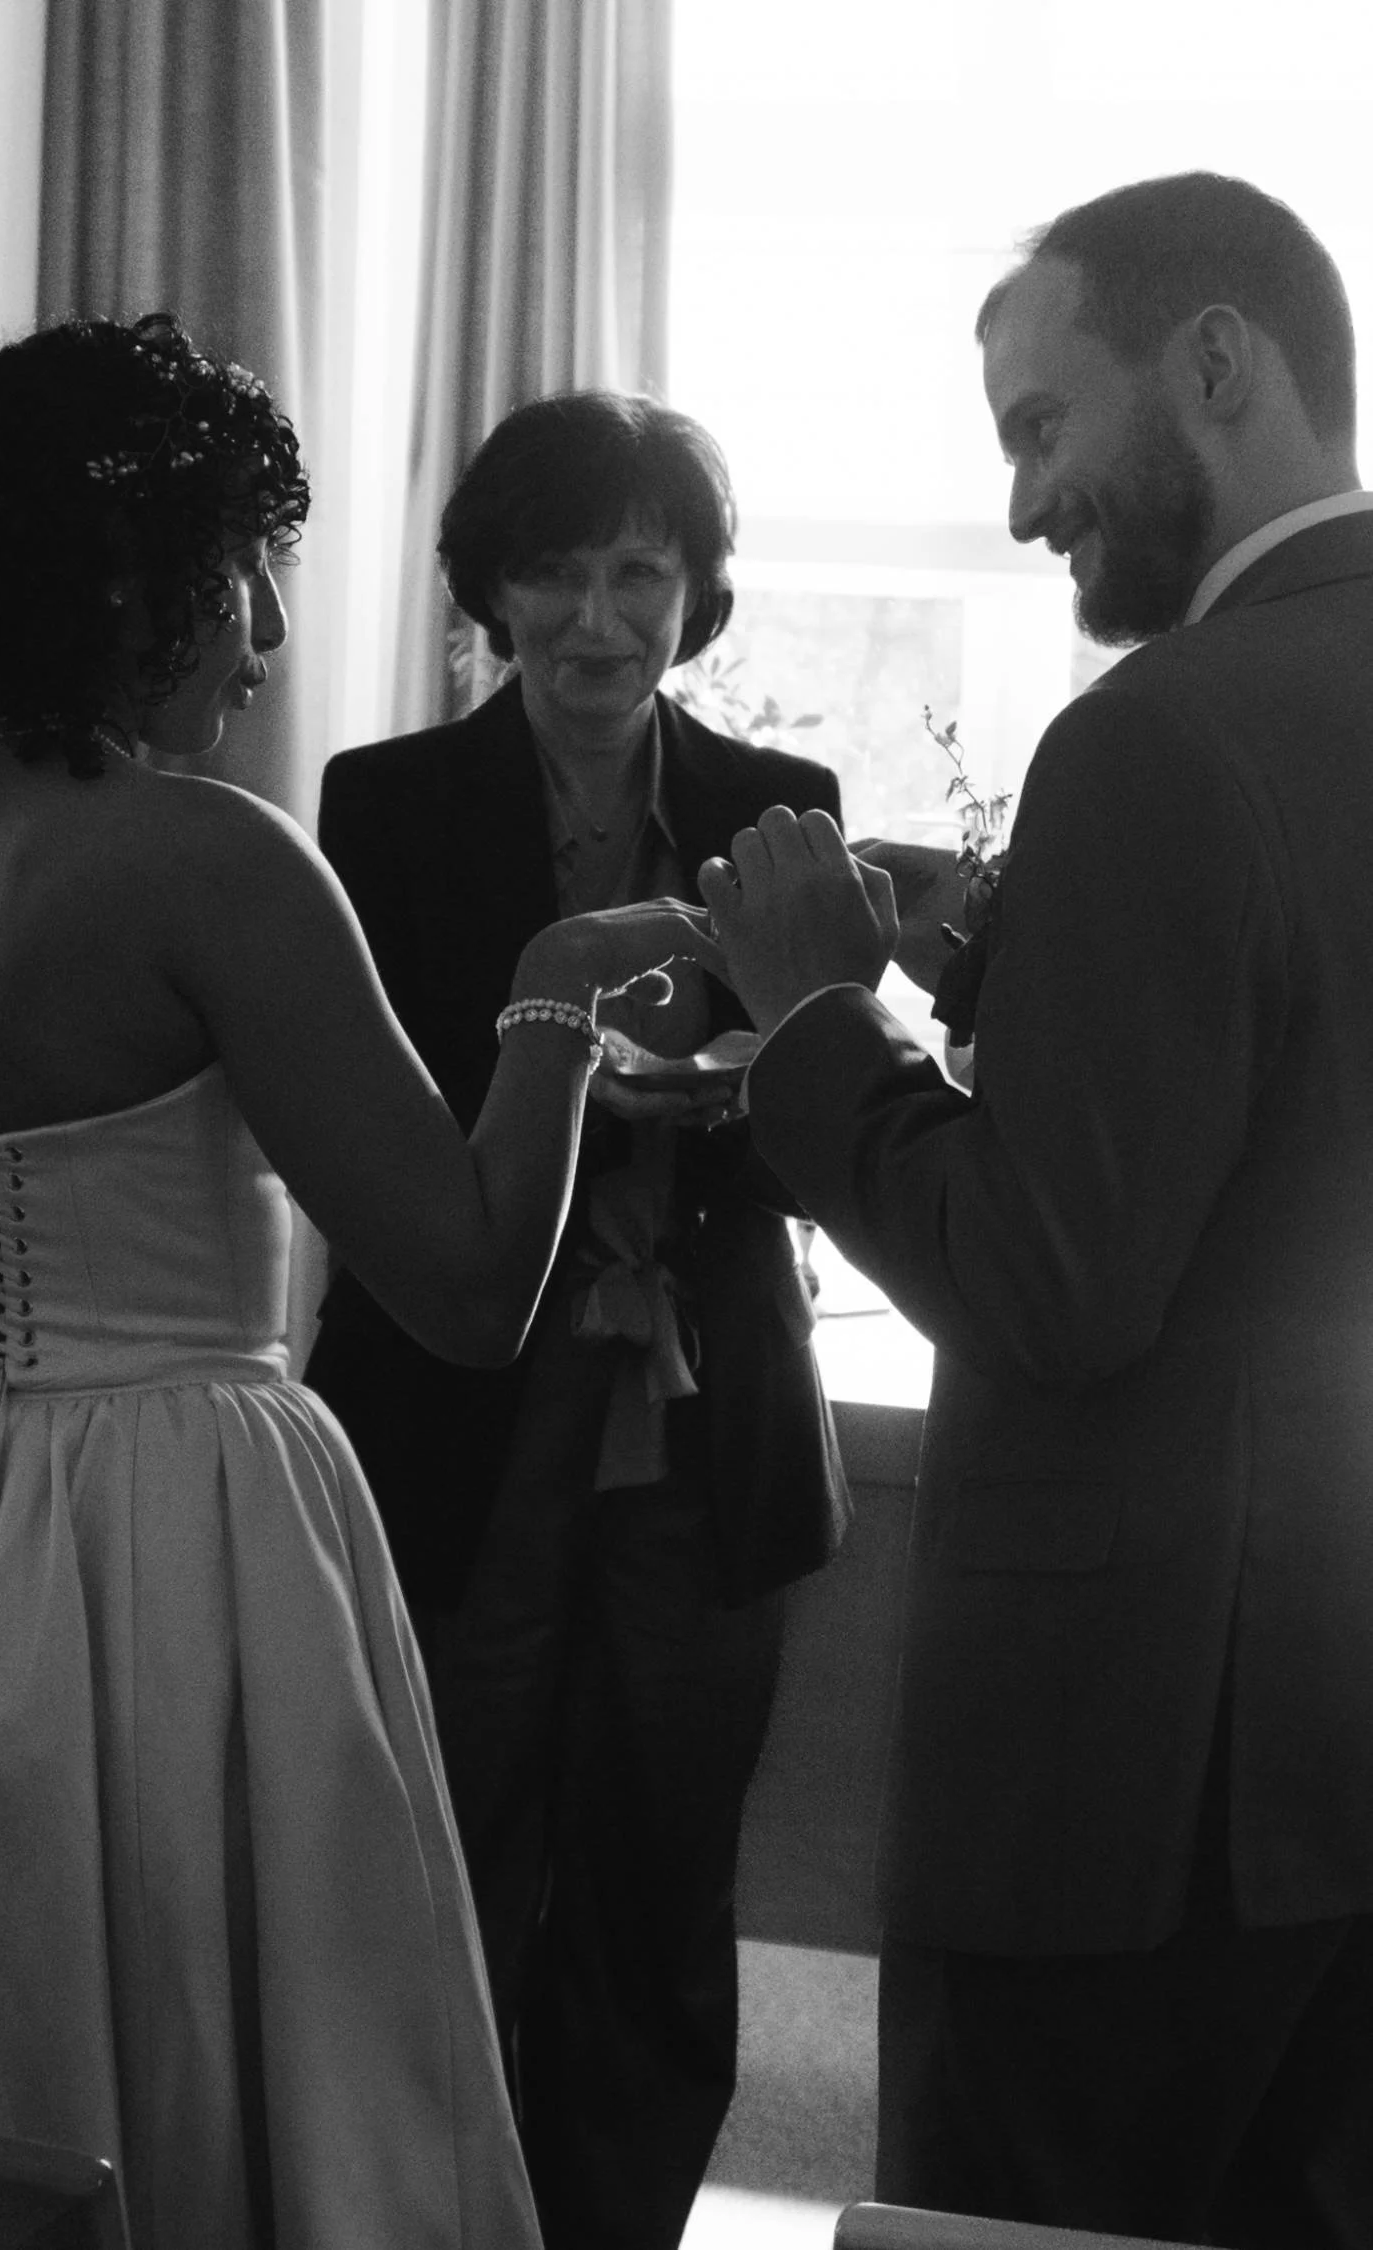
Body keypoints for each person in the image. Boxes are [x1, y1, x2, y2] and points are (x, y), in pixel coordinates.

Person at [0, 317, 715, 2250]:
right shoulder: (213, 862)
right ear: (129, 579)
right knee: (230, 2050)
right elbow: (469, 1287)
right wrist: (560, 989)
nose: (261, 632)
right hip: (182, 1524)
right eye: (247, 568)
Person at [697, 173, 1373, 2248]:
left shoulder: (1163, 730)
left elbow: (1055, 1284)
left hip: (1137, 1782)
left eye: (1041, 425)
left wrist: (813, 1019)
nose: (1019, 506)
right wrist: (1001, 969)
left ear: (1218, 362)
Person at [304, 391, 849, 2250]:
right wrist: (558, 1089)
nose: (599, 619)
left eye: (640, 572)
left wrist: (737, 1101)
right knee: (436, 1851)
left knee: (661, 1874)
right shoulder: (381, 805)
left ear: (696, 594)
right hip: (454, 1403)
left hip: (704, 1406)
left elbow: (825, 1124)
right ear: (491, 590)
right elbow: (360, 1119)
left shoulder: (782, 811)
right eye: (556, 571)